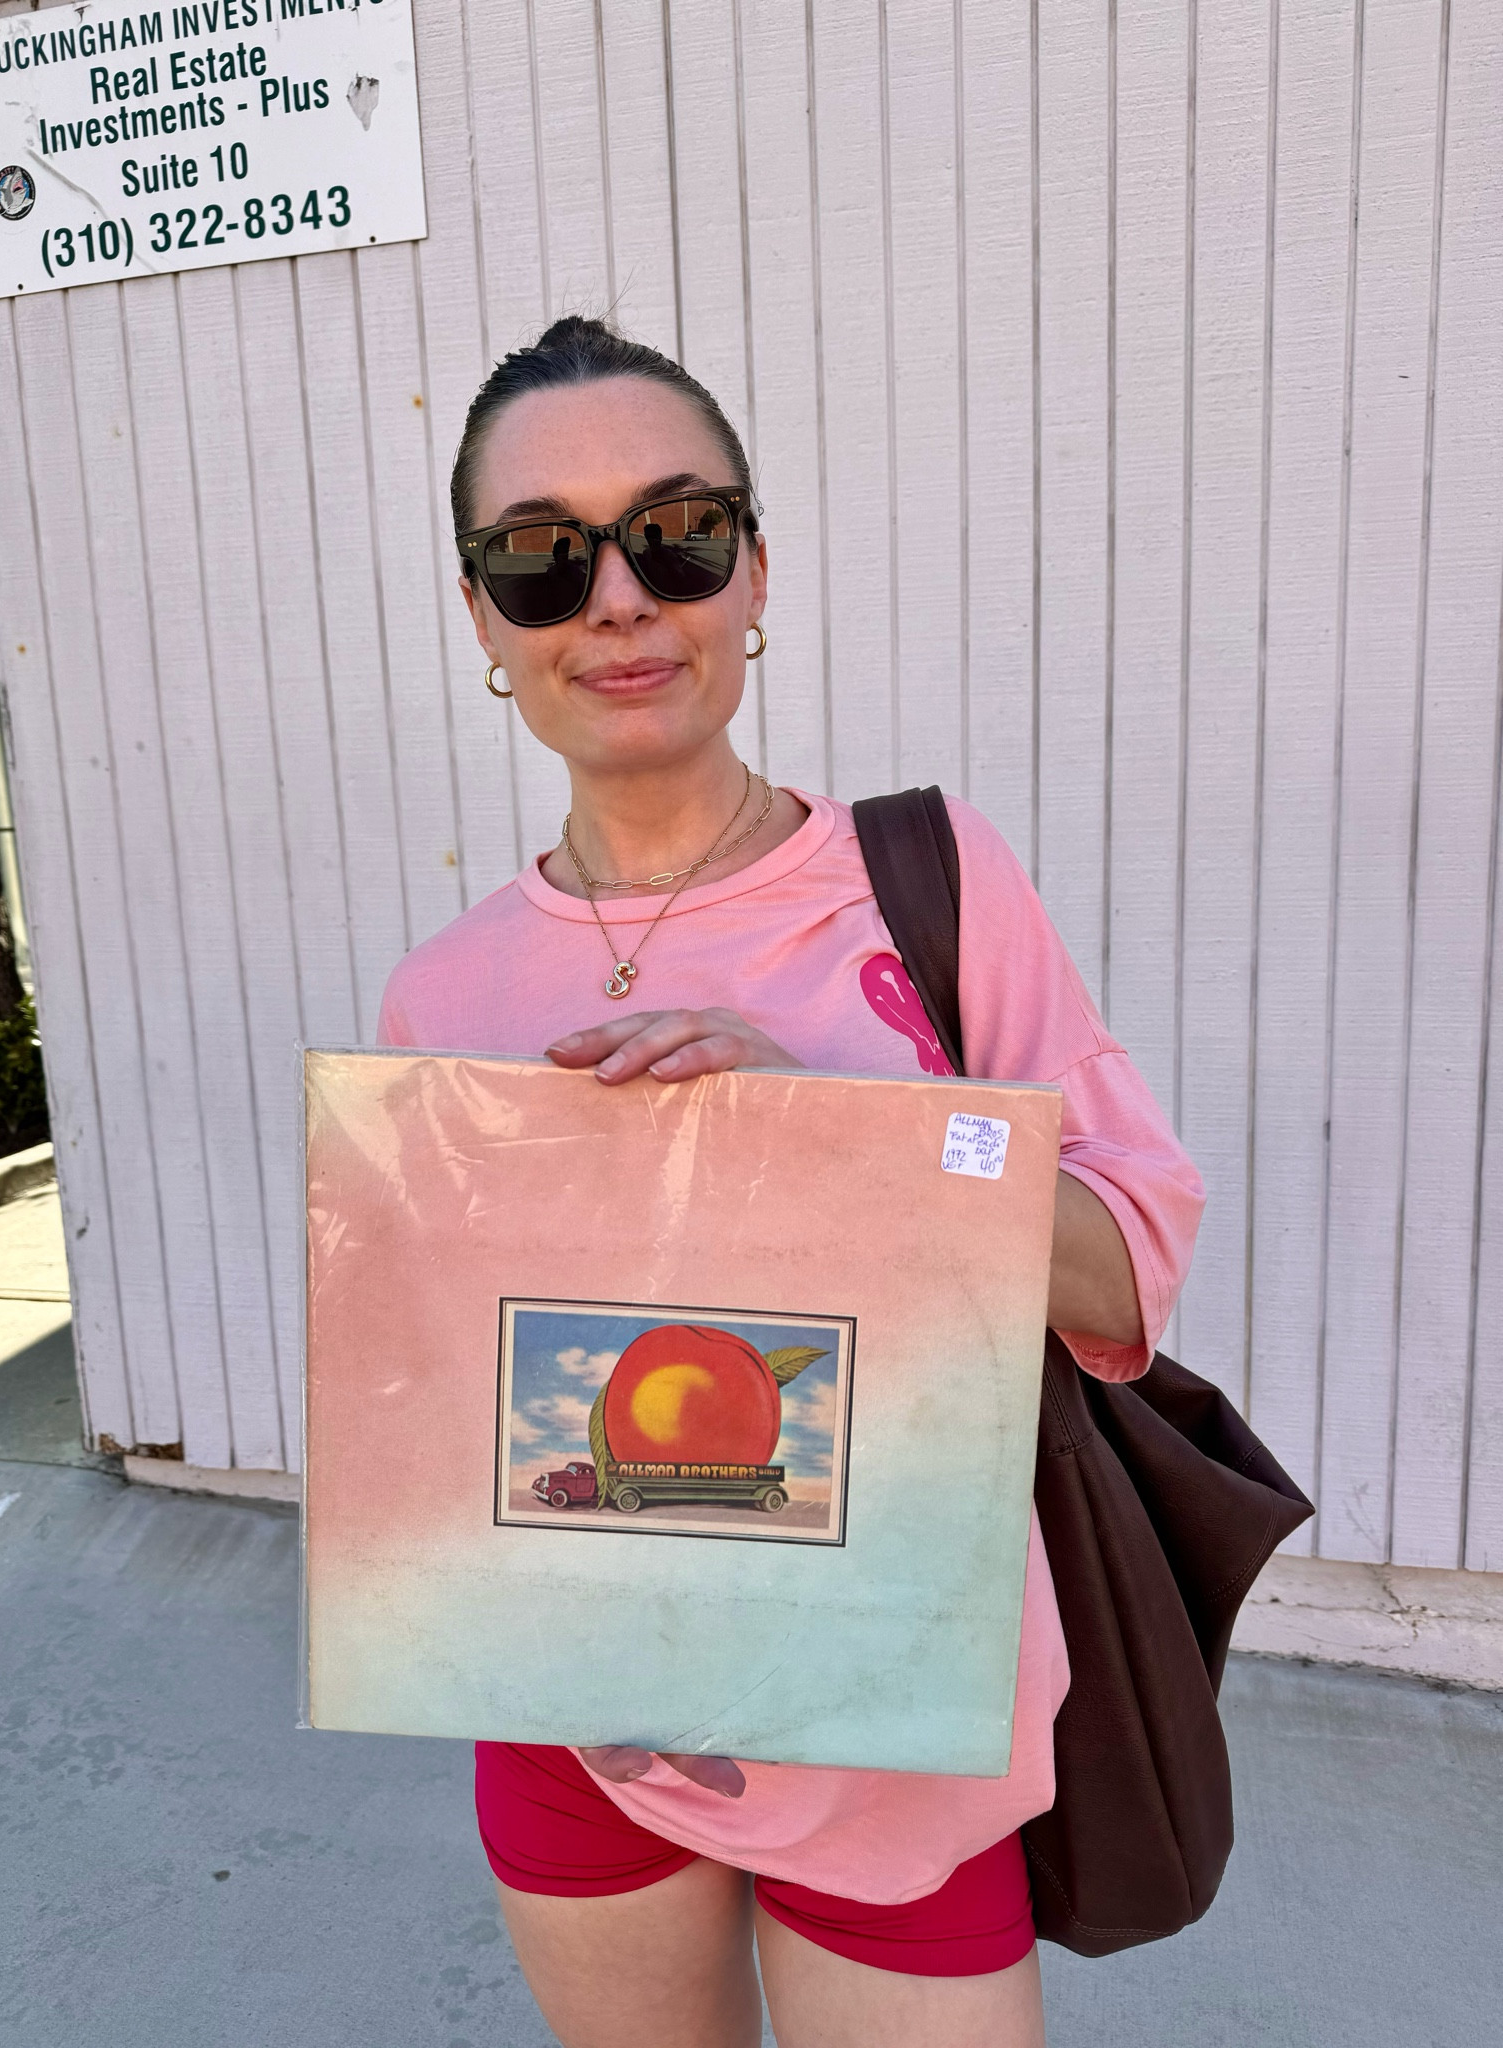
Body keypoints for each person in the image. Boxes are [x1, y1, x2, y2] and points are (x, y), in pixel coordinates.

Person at [377, 315, 1204, 2048]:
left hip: (898, 1738)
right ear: (481, 618)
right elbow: (457, 1425)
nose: (618, 599)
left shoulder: (931, 883)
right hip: (580, 1726)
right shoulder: (438, 1003)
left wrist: (836, 1136)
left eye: (676, 532)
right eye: (540, 557)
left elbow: (1127, 1271)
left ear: (754, 571)